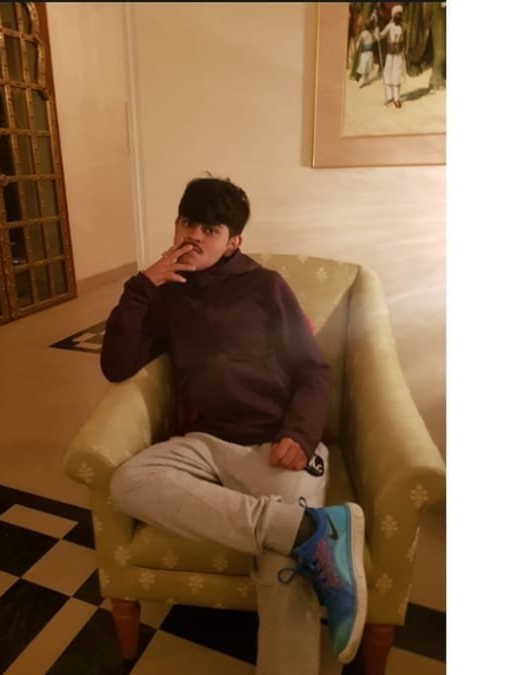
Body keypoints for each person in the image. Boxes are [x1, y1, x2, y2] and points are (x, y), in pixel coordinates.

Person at [101, 176, 368, 673]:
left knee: (285, 566)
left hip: (276, 442)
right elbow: (116, 366)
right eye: (187, 222)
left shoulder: (265, 286)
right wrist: (142, 286)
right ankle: (308, 530)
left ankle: (297, 544)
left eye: (210, 229)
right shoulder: (165, 295)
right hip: (205, 440)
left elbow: (313, 369)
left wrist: (300, 433)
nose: (193, 236)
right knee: (128, 481)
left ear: (233, 241)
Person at [377, 5, 406, 108]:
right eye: (397, 14)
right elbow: (380, 36)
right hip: (390, 55)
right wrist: (376, 32)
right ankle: (390, 97)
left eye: (400, 14)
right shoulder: (389, 26)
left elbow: (404, 42)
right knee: (388, 74)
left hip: (399, 55)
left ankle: (396, 99)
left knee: (397, 76)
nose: (398, 16)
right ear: (393, 16)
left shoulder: (403, 27)